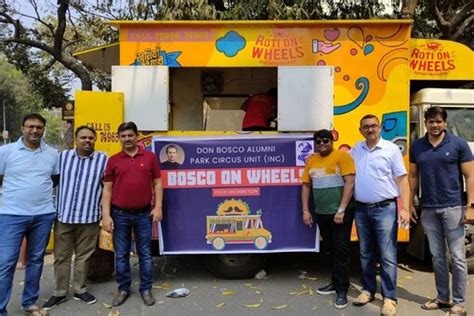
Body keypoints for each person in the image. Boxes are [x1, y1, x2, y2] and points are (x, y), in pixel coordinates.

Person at [409, 106, 473, 316]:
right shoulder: (417, 146)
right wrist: (410, 203)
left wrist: (470, 206)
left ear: (444, 122)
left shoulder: (458, 144)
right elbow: (413, 176)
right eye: (431, 121)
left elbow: (470, 176)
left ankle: (459, 303)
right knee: (437, 256)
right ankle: (443, 297)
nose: (435, 125)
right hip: (428, 208)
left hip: (453, 207)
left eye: (438, 121)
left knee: (457, 256)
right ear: (425, 123)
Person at [350, 114, 410, 316]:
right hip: (361, 208)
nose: (370, 129)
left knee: (388, 255)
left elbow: (402, 181)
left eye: (374, 126)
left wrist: (405, 208)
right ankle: (368, 290)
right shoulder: (355, 150)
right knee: (365, 253)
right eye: (366, 126)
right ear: (361, 130)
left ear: (380, 128)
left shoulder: (391, 150)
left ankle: (389, 298)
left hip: (385, 209)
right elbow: (341, 169)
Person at [42, 126, 107, 311]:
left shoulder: (103, 160)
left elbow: (107, 188)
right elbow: (50, 182)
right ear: (76, 139)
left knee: (84, 256)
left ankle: (80, 289)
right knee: (61, 256)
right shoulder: (61, 158)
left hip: (89, 217)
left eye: (90, 138)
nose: (87, 140)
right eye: (83, 137)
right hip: (64, 216)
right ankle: (60, 292)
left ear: (95, 139)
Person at [0, 113, 59, 316]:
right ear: (22, 127)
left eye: (39, 127)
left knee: (36, 260)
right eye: (31, 126)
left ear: (44, 130)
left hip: (43, 215)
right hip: (11, 215)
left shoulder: (52, 153)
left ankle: (30, 303)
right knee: (6, 262)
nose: (35, 130)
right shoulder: (6, 151)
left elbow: (54, 179)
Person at [102, 121, 163, 307]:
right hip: (119, 214)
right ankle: (123, 289)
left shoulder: (150, 157)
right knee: (121, 254)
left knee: (144, 253)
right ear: (119, 138)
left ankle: (146, 289)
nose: (127, 139)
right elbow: (107, 189)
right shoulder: (113, 160)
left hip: (144, 214)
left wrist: (158, 207)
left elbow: (158, 183)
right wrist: (106, 215)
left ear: (136, 136)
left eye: (130, 135)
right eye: (123, 136)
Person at [301, 129, 355, 309]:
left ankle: (342, 291)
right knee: (331, 250)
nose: (322, 144)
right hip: (322, 213)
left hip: (339, 214)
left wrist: (341, 210)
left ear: (332, 141)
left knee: (341, 251)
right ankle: (334, 283)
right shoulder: (311, 160)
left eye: (325, 140)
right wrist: (306, 210)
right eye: (318, 141)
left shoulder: (343, 157)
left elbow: (350, 183)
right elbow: (306, 186)